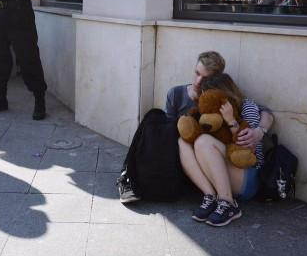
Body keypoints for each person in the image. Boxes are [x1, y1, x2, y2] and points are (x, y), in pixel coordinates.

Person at [117, 52, 273, 206]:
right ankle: (127, 176)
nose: (198, 81)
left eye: (205, 78)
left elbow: (264, 112)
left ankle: (129, 177)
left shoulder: (225, 102)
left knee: (196, 138)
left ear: (216, 81)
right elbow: (166, 135)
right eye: (197, 73)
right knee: (154, 117)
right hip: (185, 158)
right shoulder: (176, 94)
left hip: (220, 163)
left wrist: (260, 130)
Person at [181, 72, 272, 227]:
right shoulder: (208, 114)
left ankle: (228, 204)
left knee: (204, 141)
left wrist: (230, 121)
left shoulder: (247, 107)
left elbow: (249, 150)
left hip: (247, 177)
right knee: (183, 142)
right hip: (224, 174)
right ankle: (210, 196)